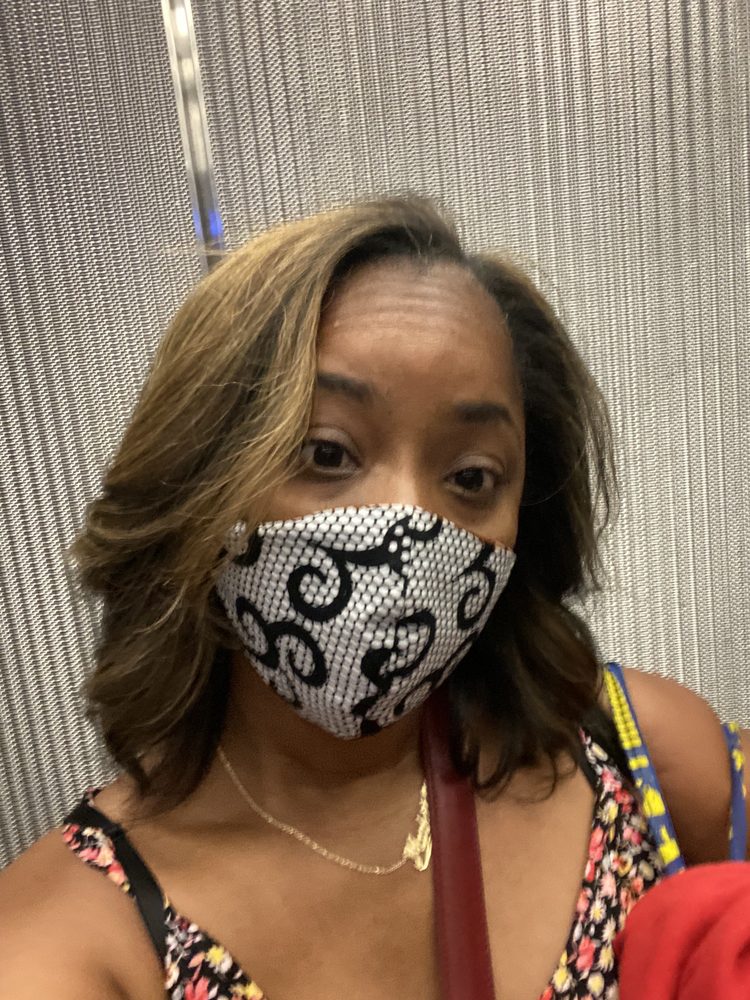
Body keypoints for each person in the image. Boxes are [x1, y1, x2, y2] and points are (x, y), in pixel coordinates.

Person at [0, 196, 746, 1000]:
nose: (408, 522)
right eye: (327, 453)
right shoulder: (74, 941)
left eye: (471, 477)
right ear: (197, 481)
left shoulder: (640, 753)